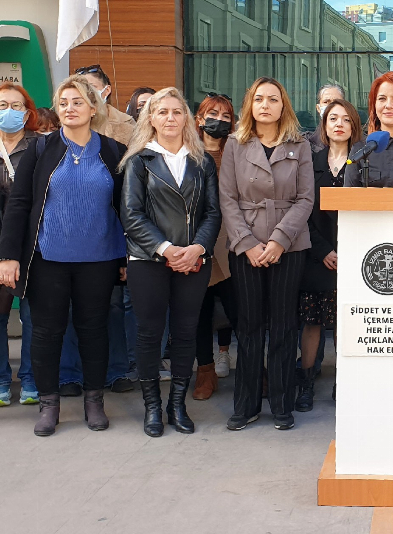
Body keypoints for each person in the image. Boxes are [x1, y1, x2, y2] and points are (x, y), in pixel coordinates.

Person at [0, 74, 128, 437]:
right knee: (47, 333)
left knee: (94, 331)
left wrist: (126, 260)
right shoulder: (40, 149)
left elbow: (125, 208)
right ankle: (49, 404)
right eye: (64, 102)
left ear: (93, 108)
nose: (69, 109)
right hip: (46, 258)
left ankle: (94, 401)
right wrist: (9, 255)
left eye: (77, 102)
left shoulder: (113, 150)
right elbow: (19, 204)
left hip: (99, 258)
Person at [120, 88, 221, 436]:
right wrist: (165, 248)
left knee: (184, 332)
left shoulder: (202, 161)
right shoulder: (138, 161)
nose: (169, 118)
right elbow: (131, 215)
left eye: (176, 112)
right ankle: (152, 406)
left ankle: (177, 403)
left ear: (186, 118)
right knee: (149, 334)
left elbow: (212, 212)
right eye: (162, 112)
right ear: (151, 118)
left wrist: (197, 249)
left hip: (193, 260)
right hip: (148, 259)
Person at [218, 77, 314, 430]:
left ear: (282, 106)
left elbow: (306, 198)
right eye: (259, 98)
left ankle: (282, 403)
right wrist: (249, 244)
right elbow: (227, 198)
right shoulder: (235, 144)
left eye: (273, 99)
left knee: (285, 325)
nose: (265, 105)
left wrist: (277, 241)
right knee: (249, 326)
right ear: (250, 105)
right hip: (246, 248)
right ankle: (245, 405)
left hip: (288, 246)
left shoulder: (299, 145)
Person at [75, 64, 138, 393]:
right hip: (70, 230)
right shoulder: (65, 125)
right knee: (72, 307)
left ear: (105, 91)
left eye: (90, 87)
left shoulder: (124, 127)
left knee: (113, 304)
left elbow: (129, 186)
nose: (82, 95)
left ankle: (117, 370)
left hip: (111, 226)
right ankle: (70, 374)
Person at [0, 84, 41, 407]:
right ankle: (0, 380)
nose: (9, 111)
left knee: (32, 316)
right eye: (2, 104)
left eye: (17, 105)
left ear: (28, 112)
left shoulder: (41, 147)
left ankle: (30, 378)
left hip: (32, 244)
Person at [297, 98, 361, 411]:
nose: (339, 124)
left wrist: (348, 251)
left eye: (346, 119)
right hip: (316, 254)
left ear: (354, 127)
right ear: (324, 125)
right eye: (333, 118)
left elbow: (367, 213)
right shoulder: (310, 162)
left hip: (353, 257)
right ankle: (306, 383)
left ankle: (343, 382)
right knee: (312, 323)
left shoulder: (362, 163)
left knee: (347, 323)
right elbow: (303, 211)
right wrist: (324, 250)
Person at [191, 94, 239, 398]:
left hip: (234, 242)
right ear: (199, 118)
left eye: (225, 115)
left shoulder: (238, 152)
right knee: (200, 311)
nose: (218, 120)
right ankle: (205, 372)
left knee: (240, 310)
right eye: (212, 113)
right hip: (198, 242)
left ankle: (250, 368)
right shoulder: (189, 154)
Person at [75, 64, 137, 144]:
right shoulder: (71, 120)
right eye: (81, 88)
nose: (87, 92)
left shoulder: (126, 122)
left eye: (92, 87)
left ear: (107, 90)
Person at [304, 84, 346, 151]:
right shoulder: (306, 143)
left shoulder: (360, 142)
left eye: (337, 102)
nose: (331, 106)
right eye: (326, 102)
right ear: (318, 108)